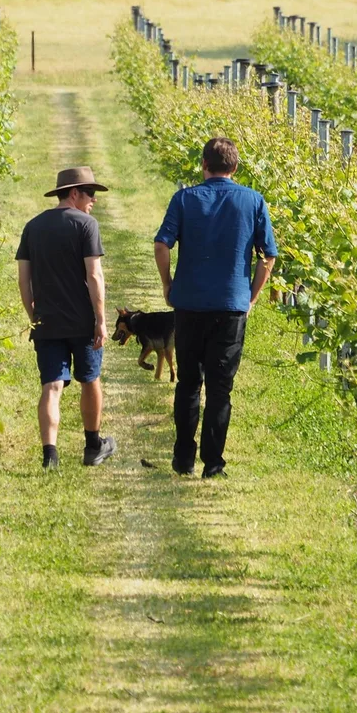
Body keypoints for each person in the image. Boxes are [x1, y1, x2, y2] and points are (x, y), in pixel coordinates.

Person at [153, 137, 278, 478]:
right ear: (235, 167)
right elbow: (268, 255)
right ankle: (213, 463)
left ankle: (183, 457)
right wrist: (252, 296)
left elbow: (162, 244)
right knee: (220, 389)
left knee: (188, 383)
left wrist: (167, 283)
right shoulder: (253, 201)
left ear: (203, 165)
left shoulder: (185, 199)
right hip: (230, 305)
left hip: (189, 303)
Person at [16, 166, 117, 471]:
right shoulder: (86, 225)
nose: (94, 200)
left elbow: (23, 280)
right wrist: (100, 319)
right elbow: (94, 275)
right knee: (90, 379)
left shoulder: (33, 227)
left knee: (51, 385)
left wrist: (33, 316)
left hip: (47, 321)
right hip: (82, 321)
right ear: (74, 193)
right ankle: (93, 445)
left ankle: (50, 456)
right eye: (90, 193)